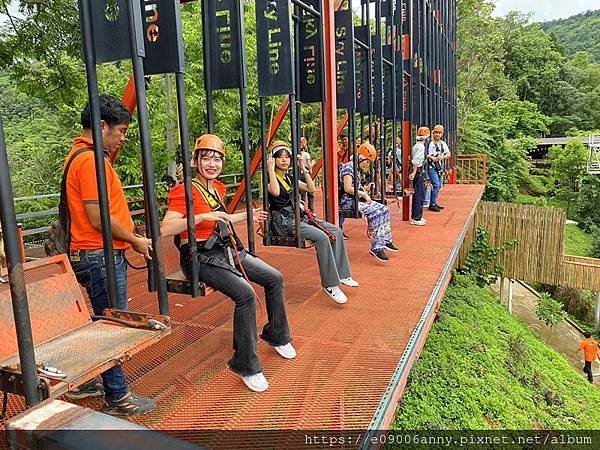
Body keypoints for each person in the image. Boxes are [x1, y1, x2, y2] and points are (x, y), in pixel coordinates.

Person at [161, 134, 295, 393]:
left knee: (274, 277)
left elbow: (222, 218)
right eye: (207, 158)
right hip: (200, 256)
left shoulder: (218, 188)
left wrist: (249, 215)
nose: (212, 164)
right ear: (196, 161)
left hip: (224, 249)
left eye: (217, 159)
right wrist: (200, 218)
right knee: (245, 294)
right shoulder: (185, 190)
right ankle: (246, 364)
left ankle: (277, 334)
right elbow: (166, 228)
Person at [65, 94, 156, 415]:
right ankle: (118, 396)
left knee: (102, 320)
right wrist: (133, 239)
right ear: (102, 126)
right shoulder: (90, 160)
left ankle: (91, 380)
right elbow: (97, 216)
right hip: (98, 255)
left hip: (94, 254)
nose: (121, 138)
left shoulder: (83, 155)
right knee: (111, 325)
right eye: (119, 131)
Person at [267, 140, 358, 305]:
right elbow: (274, 191)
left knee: (336, 231)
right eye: (280, 157)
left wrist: (303, 168)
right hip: (285, 222)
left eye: (287, 157)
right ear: (273, 160)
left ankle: (343, 274)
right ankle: (330, 285)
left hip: (300, 217)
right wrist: (270, 169)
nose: (284, 160)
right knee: (322, 237)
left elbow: (310, 188)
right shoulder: (270, 179)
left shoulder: (290, 178)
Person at [339, 142, 397, 261]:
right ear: (361, 158)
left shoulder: (357, 168)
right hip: (348, 201)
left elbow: (355, 187)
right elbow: (347, 188)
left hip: (356, 198)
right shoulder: (348, 167)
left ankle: (386, 239)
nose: (368, 164)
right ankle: (376, 247)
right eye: (368, 161)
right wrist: (364, 194)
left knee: (384, 209)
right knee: (376, 213)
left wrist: (365, 188)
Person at [422, 124, 450, 211]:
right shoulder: (428, 143)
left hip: (439, 166)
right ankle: (432, 204)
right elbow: (423, 154)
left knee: (439, 185)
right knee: (436, 184)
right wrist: (431, 157)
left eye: (440, 133)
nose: (438, 134)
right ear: (433, 133)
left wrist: (442, 157)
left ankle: (433, 202)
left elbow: (449, 154)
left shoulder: (443, 144)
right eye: (436, 132)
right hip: (431, 166)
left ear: (442, 134)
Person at [409, 127, 431, 226]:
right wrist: (414, 172)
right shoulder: (421, 147)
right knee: (419, 194)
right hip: (418, 171)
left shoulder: (417, 146)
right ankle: (416, 217)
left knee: (419, 194)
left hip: (418, 170)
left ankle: (418, 216)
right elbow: (416, 161)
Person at [299, 136, 315, 212]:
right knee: (310, 193)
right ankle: (311, 210)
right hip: (306, 174)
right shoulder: (306, 154)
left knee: (302, 194)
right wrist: (313, 163)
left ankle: (303, 210)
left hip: (299, 174)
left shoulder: (297, 155)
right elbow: (309, 166)